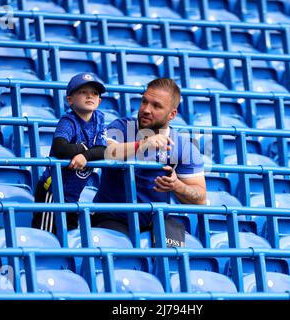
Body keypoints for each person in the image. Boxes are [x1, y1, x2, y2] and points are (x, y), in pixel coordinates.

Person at [93, 78, 206, 242]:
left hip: (158, 219)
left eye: (156, 106)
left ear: (172, 114)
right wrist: (142, 144)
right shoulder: (121, 127)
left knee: (175, 259)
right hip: (112, 217)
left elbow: (200, 200)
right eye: (144, 102)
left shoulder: (183, 146)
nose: (146, 109)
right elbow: (106, 152)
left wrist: (177, 186)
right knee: (121, 255)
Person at [32, 72, 108, 233]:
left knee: (69, 233)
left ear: (99, 101)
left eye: (95, 93)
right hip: (53, 192)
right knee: (46, 235)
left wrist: (84, 156)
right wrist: (83, 148)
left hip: (73, 194)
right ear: (70, 100)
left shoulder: (99, 118)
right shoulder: (68, 121)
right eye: (83, 92)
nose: (90, 96)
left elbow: (103, 150)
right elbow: (60, 148)